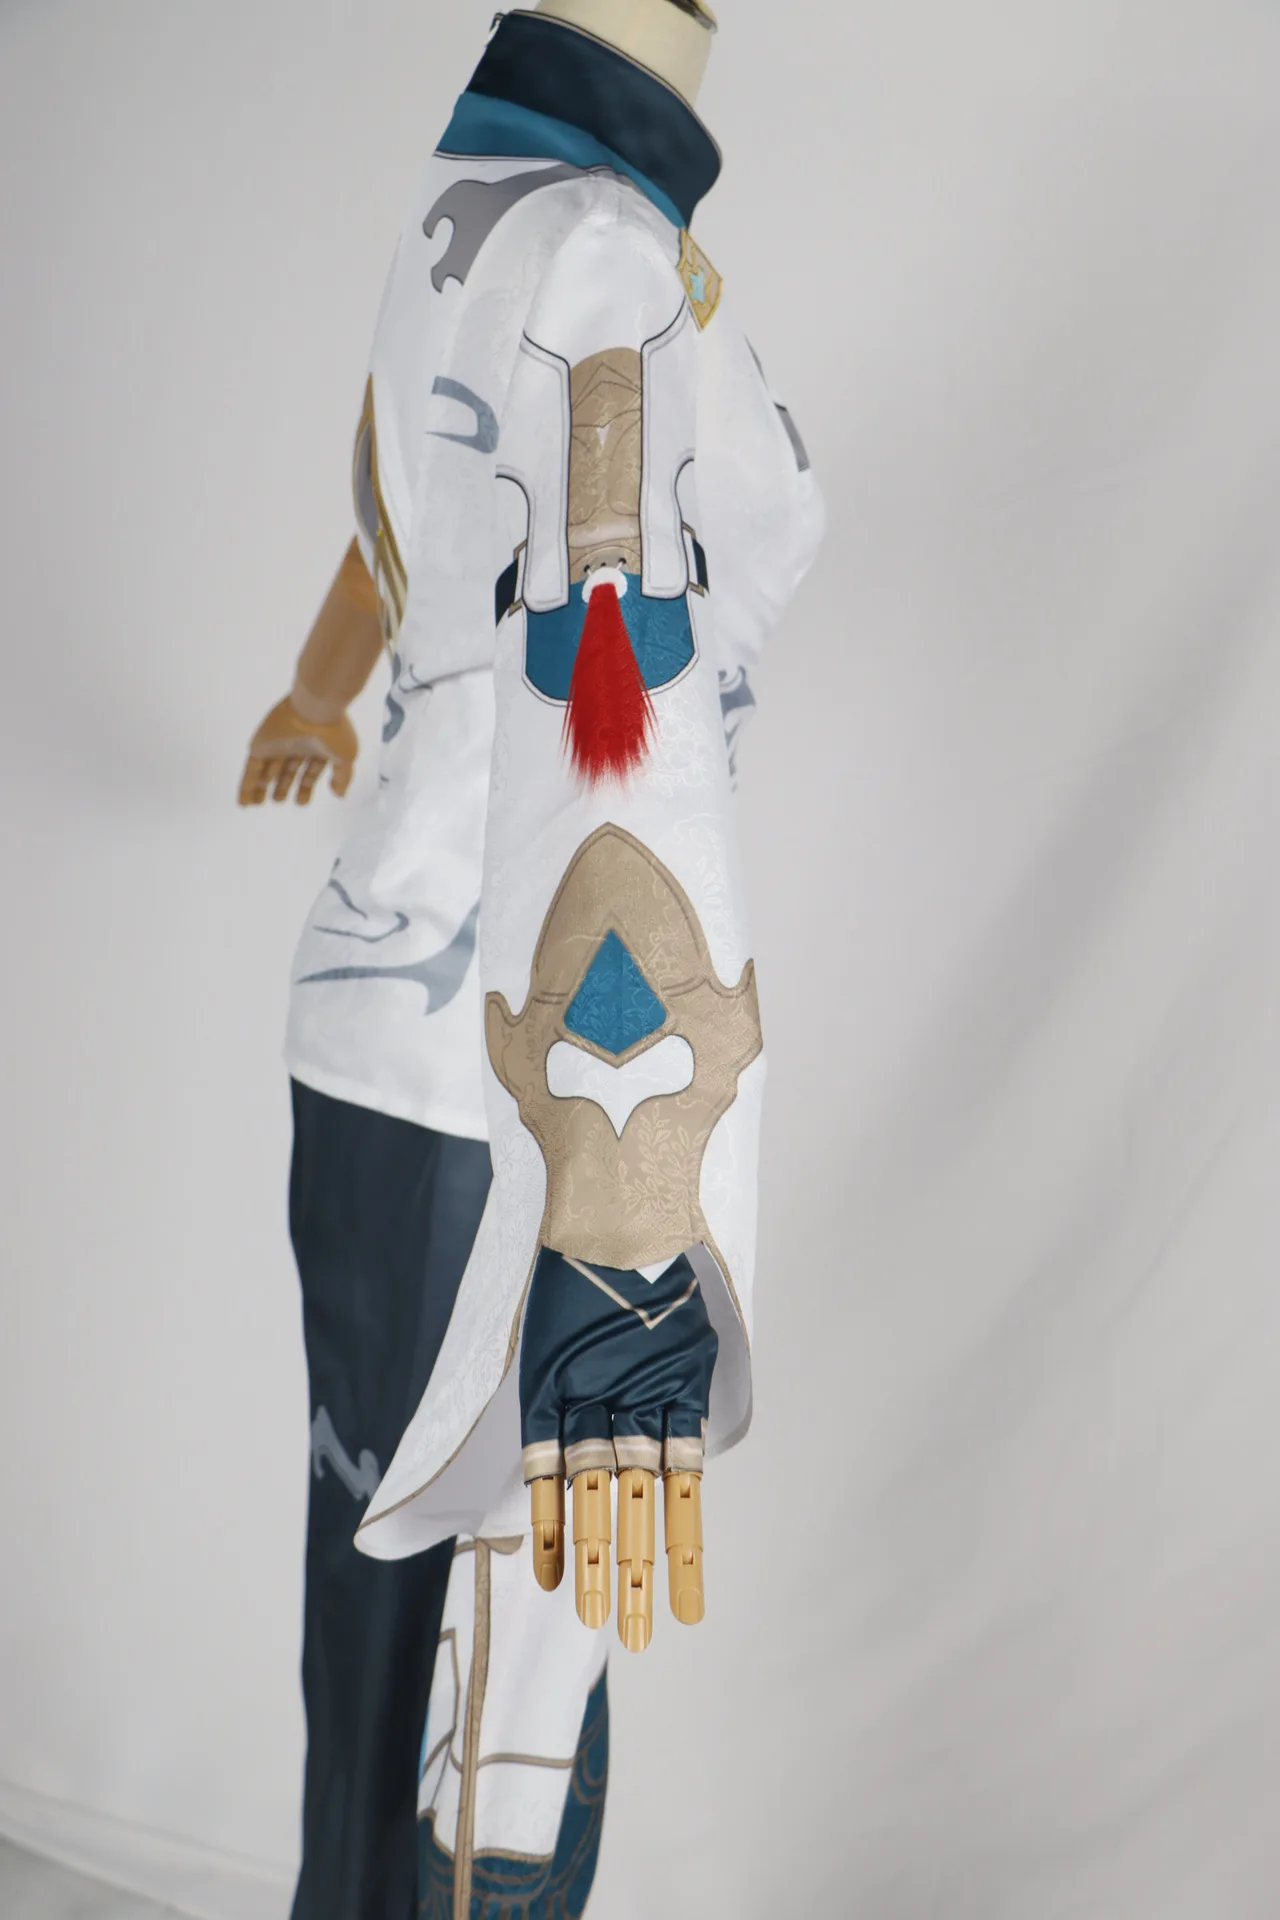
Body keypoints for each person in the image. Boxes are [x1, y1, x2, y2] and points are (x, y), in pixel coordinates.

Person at [239, 4, 823, 1914]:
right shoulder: (600, 254)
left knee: (383, 1640)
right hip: (516, 1085)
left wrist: (320, 687)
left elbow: (417, 529)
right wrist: (623, 1211)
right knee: (503, 1705)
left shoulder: (475, 201)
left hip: (383, 1022)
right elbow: (609, 692)